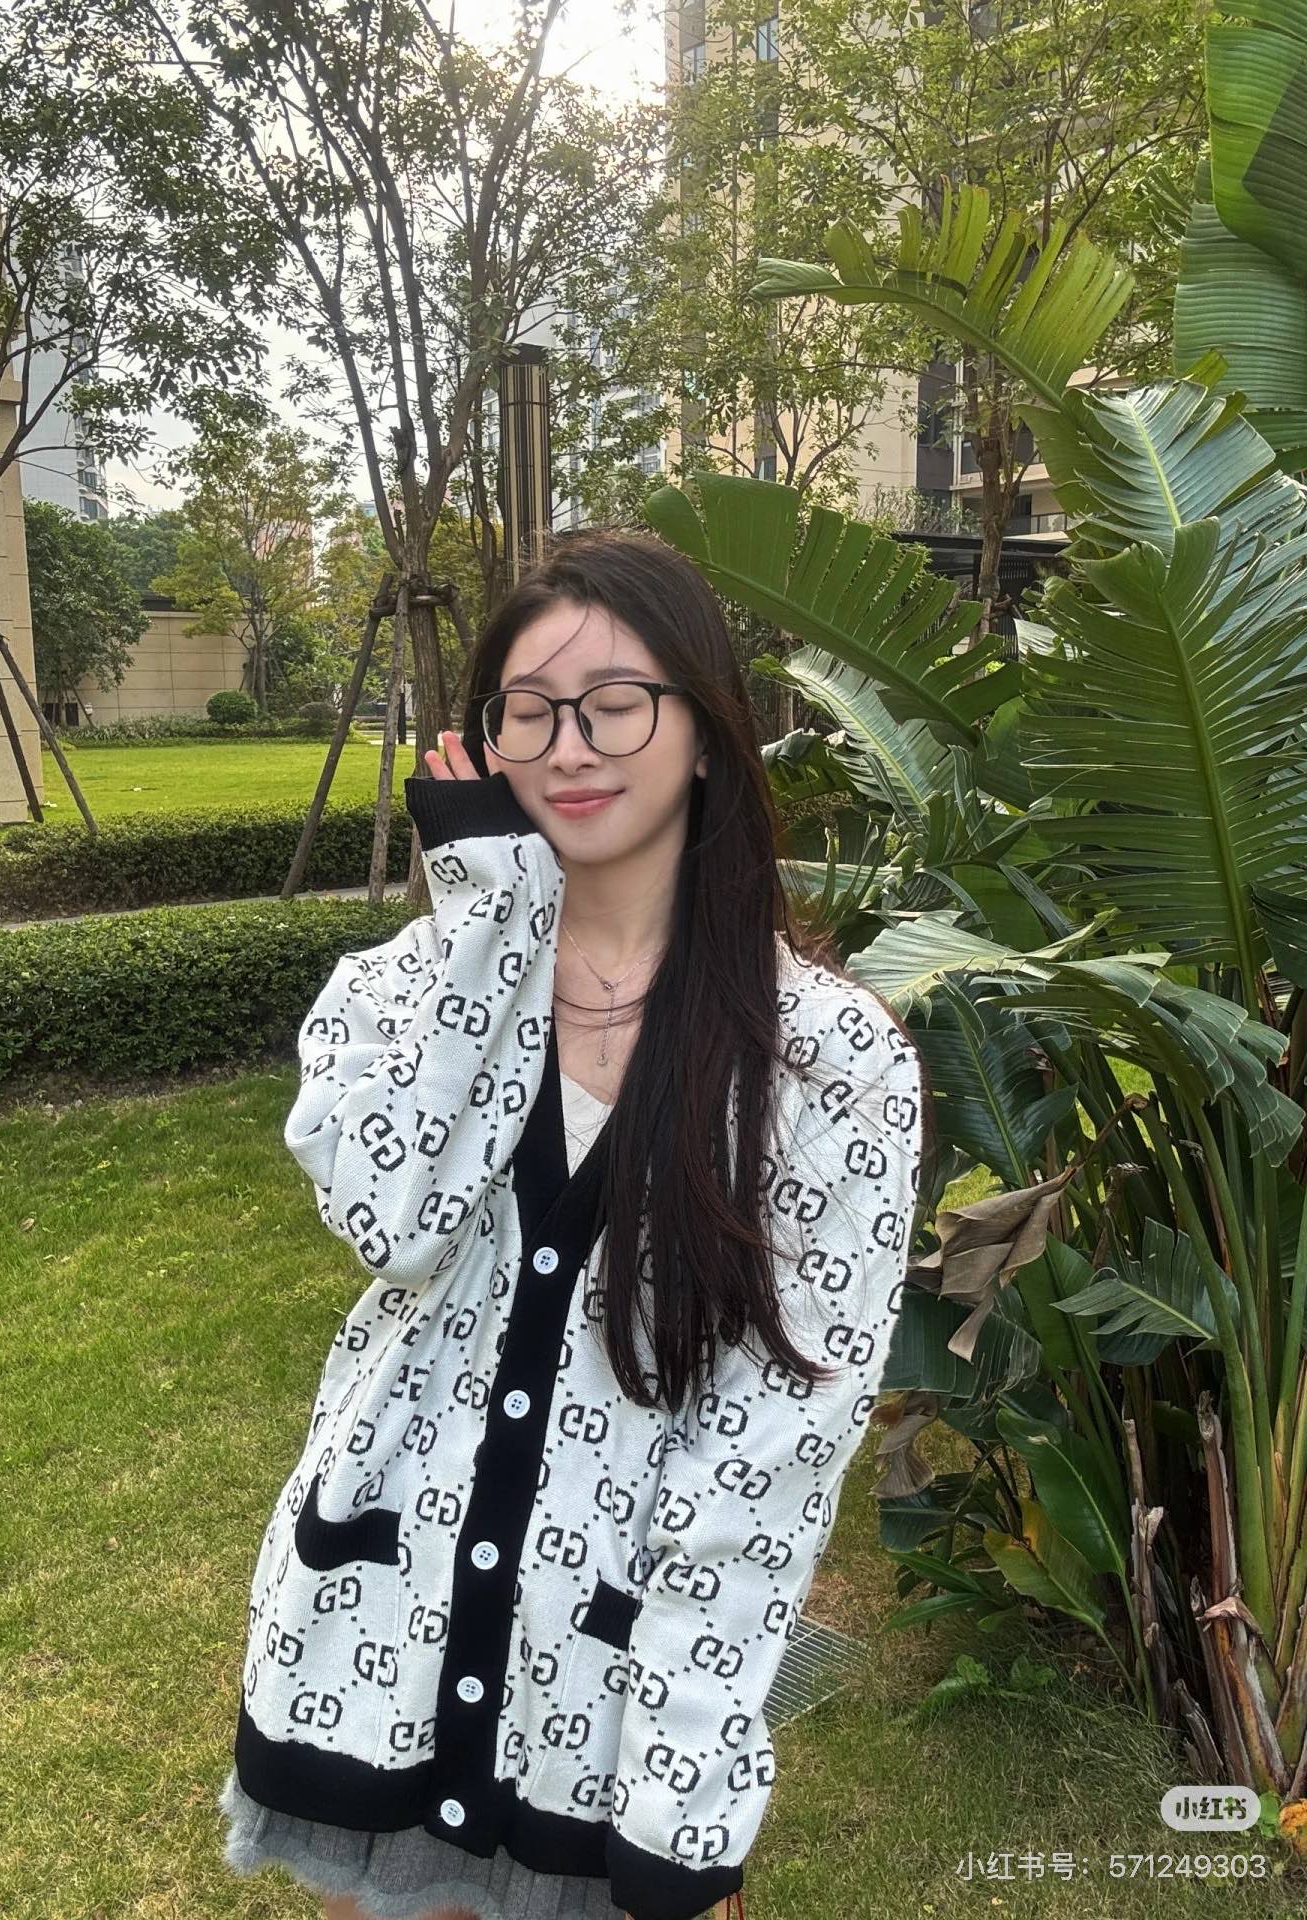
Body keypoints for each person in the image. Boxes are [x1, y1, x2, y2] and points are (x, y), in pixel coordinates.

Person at [217, 529, 927, 1920]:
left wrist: (682, 1788)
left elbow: (773, 1458)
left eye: (615, 704)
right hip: (380, 1651)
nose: (569, 746)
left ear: (709, 734)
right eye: (529, 712)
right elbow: (398, 1222)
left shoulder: (830, 1063)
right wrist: (491, 918)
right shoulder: (396, 995)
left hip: (601, 1704)